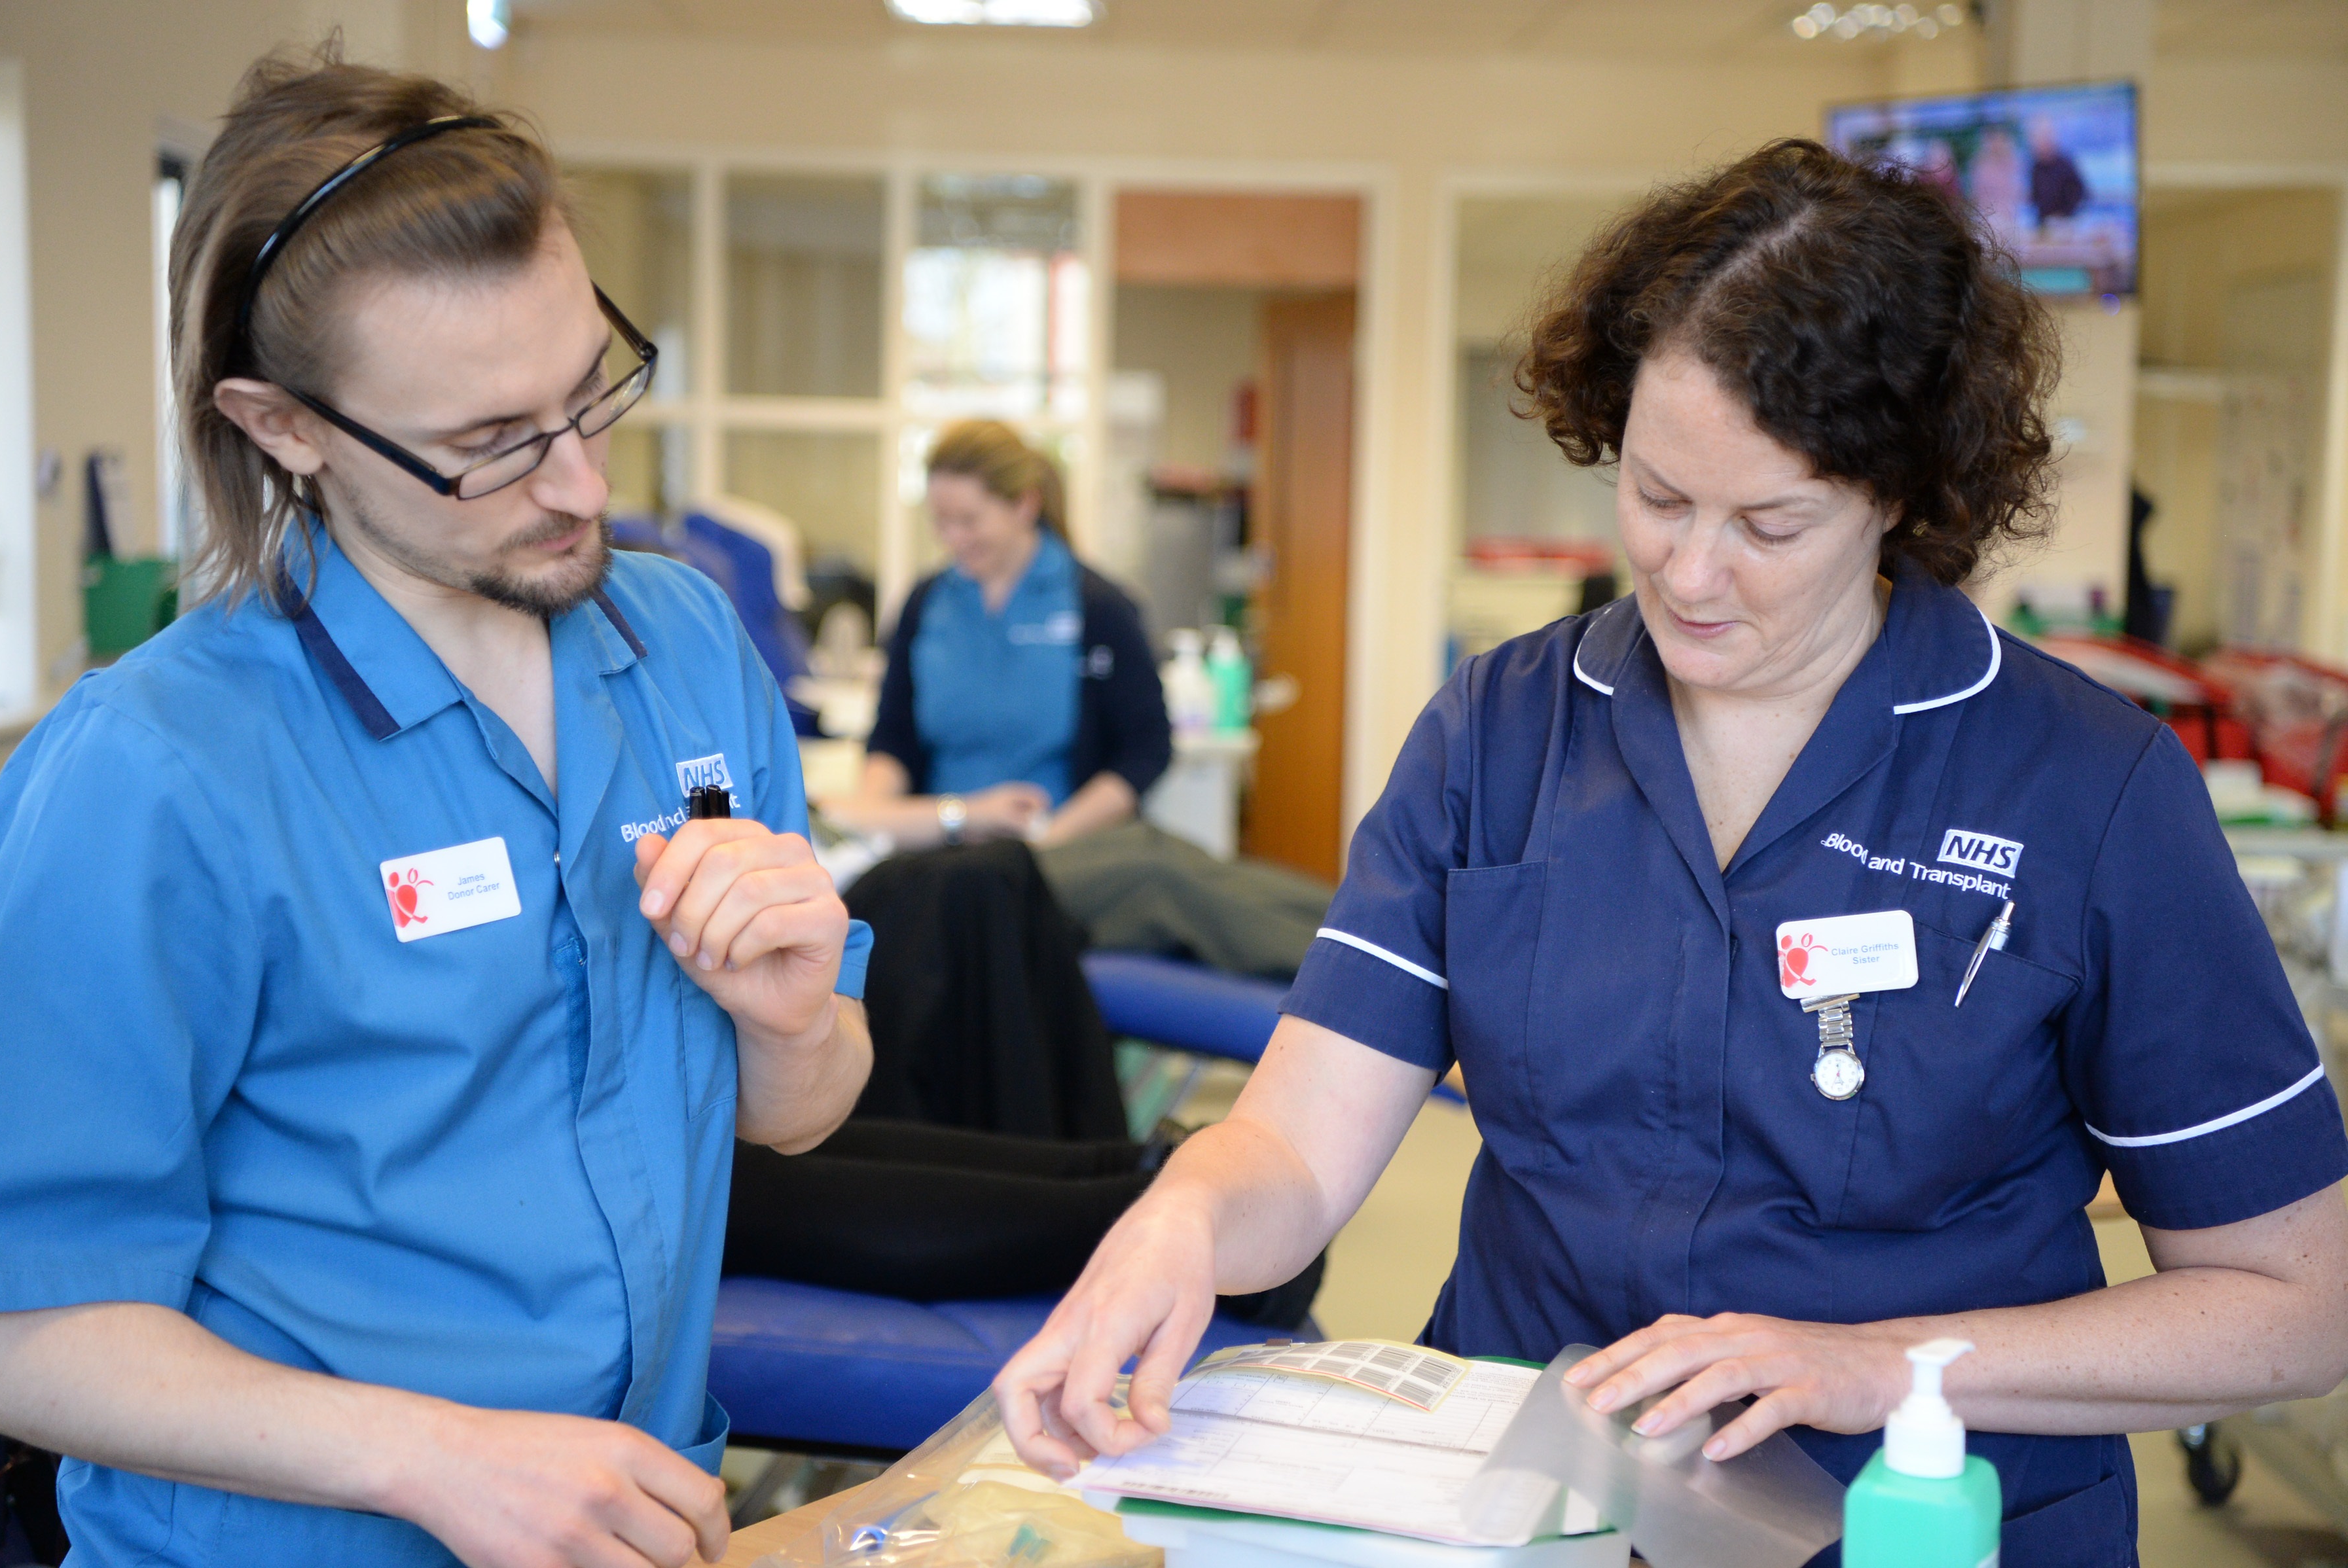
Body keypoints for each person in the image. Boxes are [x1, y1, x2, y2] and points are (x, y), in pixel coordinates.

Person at [992, 139, 2348, 1563]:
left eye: (1770, 522)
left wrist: (1889, 1363)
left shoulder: (2088, 787)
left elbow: (2297, 1300)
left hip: (1916, 1513)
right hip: (1523, 1500)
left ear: (1900, 495)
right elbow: (1296, 1145)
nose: (1691, 575)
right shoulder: (1500, 730)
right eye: (1656, 495)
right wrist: (1185, 1220)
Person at [0, 51, 874, 1568]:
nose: (584, 485)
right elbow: (29, 1325)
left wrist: (796, 1021)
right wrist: (437, 1462)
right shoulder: (154, 771)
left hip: (637, 1525)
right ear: (285, 429)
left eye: (590, 395)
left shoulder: (683, 649)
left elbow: (799, 1113)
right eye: (491, 445)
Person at [824, 419, 1171, 850]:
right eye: (942, 521)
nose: (953, 538)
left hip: (1061, 852)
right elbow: (894, 736)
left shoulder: (1098, 607)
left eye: (969, 520)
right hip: (943, 849)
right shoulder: (926, 603)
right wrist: (873, 812)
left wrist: (1050, 840)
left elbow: (1147, 750)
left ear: (1024, 505)